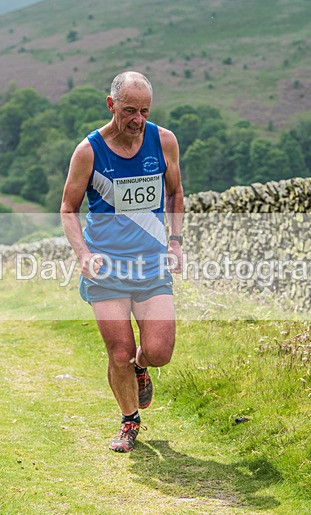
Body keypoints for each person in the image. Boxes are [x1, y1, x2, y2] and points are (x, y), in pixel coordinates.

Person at [60, 71, 184, 452]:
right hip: (107, 268)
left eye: (144, 111)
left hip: (150, 265)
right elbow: (68, 208)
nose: (137, 120)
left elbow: (176, 193)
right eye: (129, 110)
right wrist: (84, 254)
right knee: (119, 352)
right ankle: (129, 421)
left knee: (159, 351)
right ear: (111, 105)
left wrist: (175, 242)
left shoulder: (163, 141)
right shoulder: (89, 151)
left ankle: (141, 368)